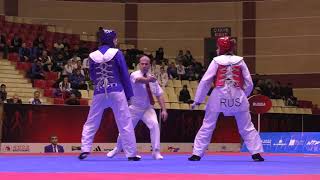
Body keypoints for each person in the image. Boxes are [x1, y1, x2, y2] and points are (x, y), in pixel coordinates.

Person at [189, 36, 264, 162]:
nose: (217, 50)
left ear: (221, 48)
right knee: (246, 126)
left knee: (208, 125)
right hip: (238, 96)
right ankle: (256, 153)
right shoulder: (240, 61)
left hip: (218, 97)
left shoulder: (216, 61)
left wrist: (198, 100)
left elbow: (206, 81)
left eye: (218, 47)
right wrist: (243, 95)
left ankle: (197, 153)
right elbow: (249, 83)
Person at [78, 29, 140, 161]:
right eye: (115, 38)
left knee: (91, 121)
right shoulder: (117, 53)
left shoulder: (92, 55)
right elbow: (124, 74)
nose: (116, 40)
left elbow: (93, 76)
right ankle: (131, 153)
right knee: (125, 122)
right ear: (111, 39)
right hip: (117, 90)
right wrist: (129, 95)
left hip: (100, 91)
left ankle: (85, 149)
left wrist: (100, 86)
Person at [107, 55, 168, 160]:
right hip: (134, 108)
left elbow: (159, 94)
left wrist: (164, 110)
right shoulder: (134, 75)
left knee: (155, 125)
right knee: (126, 129)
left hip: (148, 108)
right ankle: (117, 148)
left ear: (150, 65)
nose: (144, 65)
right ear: (139, 65)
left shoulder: (152, 78)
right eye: (142, 64)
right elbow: (140, 80)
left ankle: (156, 152)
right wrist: (149, 79)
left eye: (146, 64)